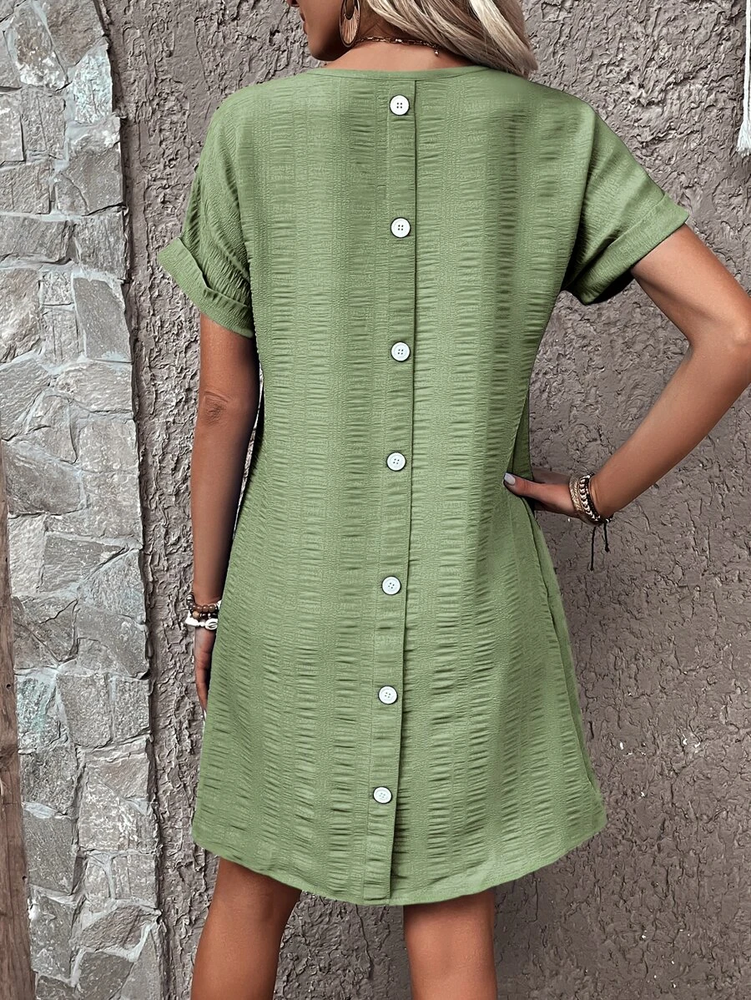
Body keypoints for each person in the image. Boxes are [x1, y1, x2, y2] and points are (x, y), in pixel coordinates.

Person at [156, 0, 751, 996]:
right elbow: (732, 333)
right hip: (468, 610)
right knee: (451, 924)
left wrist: (208, 607)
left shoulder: (249, 129)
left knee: (249, 895)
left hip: (289, 605)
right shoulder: (554, 131)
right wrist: (591, 496)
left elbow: (223, 404)